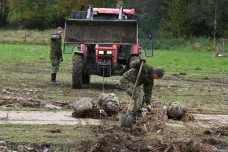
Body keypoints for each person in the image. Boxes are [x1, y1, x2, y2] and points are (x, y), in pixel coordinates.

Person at [119, 47, 164, 121]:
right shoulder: (145, 67)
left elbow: (148, 93)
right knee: (138, 93)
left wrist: (148, 105)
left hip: (134, 84)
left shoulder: (150, 79)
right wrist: (139, 62)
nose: (156, 78)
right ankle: (138, 112)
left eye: (157, 77)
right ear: (154, 72)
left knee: (142, 95)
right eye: (156, 76)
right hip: (126, 80)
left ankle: (133, 114)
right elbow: (132, 64)